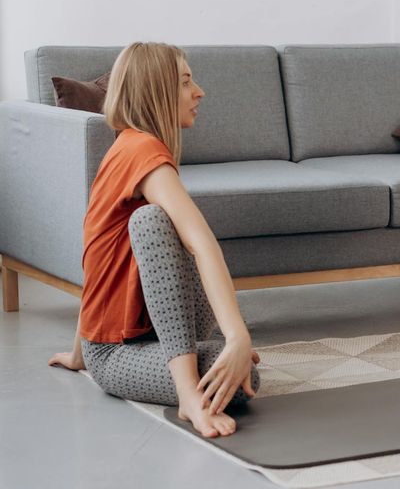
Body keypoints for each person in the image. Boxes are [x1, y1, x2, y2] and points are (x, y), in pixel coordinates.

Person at [48, 42, 261, 438]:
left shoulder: (131, 144)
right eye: (184, 82)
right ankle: (187, 393)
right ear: (155, 92)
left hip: (145, 334)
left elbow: (98, 259)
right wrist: (236, 338)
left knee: (236, 364)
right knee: (153, 220)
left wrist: (76, 354)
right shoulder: (140, 150)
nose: (199, 91)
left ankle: (213, 358)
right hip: (114, 353)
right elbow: (203, 244)